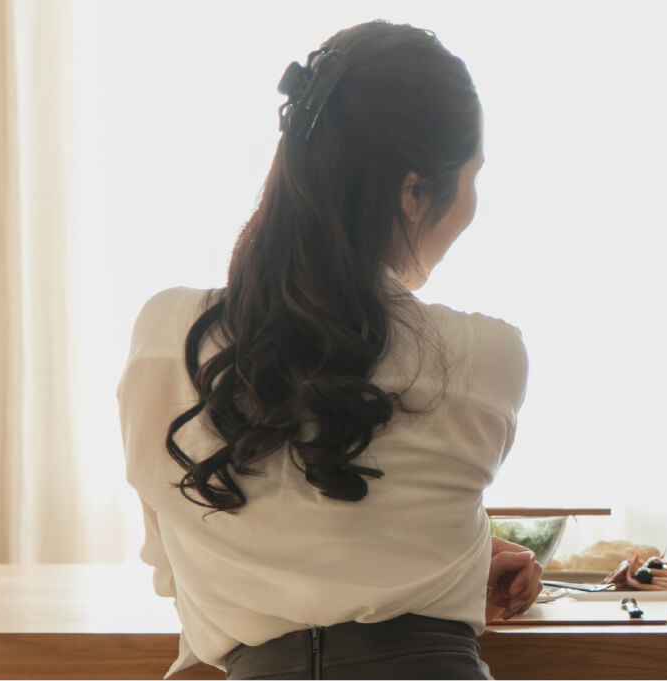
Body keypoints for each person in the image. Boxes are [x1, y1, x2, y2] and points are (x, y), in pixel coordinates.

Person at [118, 21, 538, 679]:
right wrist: (452, 564)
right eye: (471, 176)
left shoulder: (167, 336)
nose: (472, 202)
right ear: (413, 191)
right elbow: (391, 500)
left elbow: (179, 559)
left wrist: (459, 555)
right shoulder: (487, 357)